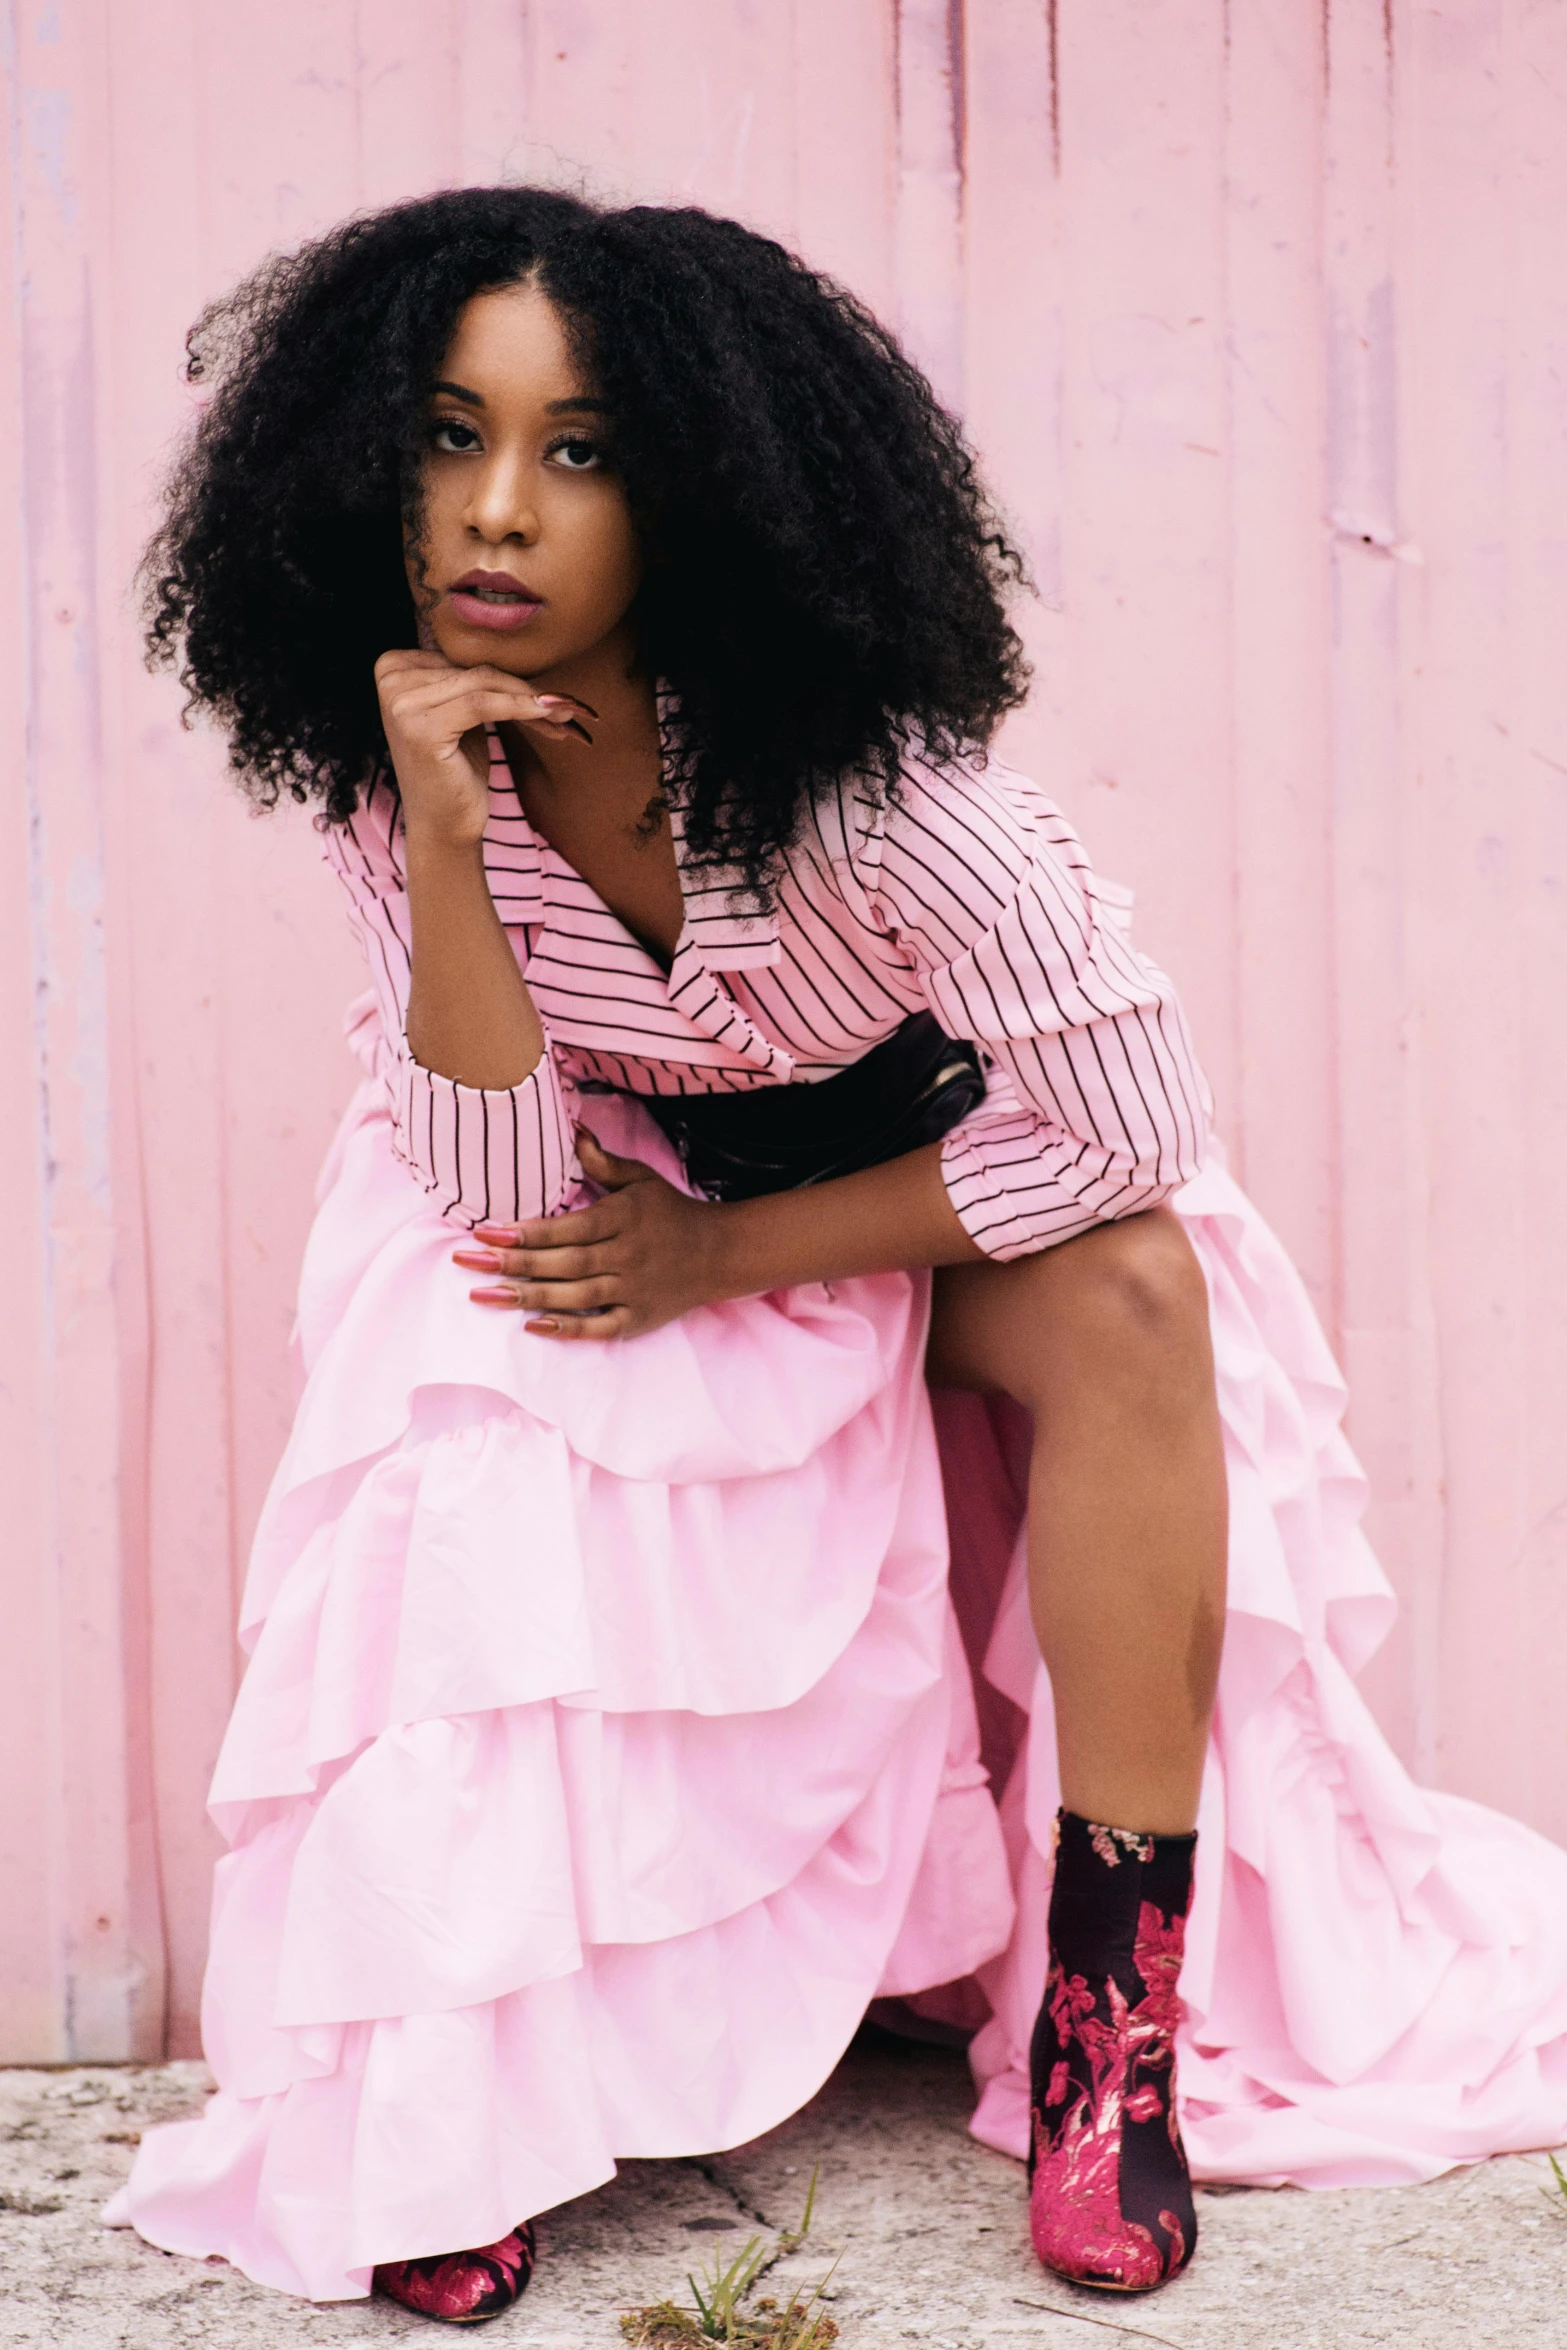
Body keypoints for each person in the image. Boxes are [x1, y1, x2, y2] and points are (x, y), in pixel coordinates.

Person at [105, 186, 1567, 2322]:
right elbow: (496, 1175)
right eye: (447, 434)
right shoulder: (391, 770)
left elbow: (1128, 1131)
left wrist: (735, 1253)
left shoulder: (888, 800)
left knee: (1144, 1289)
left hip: (927, 1193)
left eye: (580, 449)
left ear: (701, 495)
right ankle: (463, 2082)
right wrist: (441, 839)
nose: (494, 511)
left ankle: (1109, 2035)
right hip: (630, 1190)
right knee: (466, 1333)